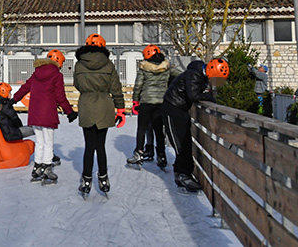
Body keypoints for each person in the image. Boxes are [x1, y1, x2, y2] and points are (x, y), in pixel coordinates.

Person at [162, 57, 227, 193]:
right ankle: (182, 175)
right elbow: (193, 95)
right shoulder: (194, 75)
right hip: (172, 108)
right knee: (180, 144)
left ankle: (184, 173)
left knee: (186, 143)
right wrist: (210, 97)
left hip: (181, 109)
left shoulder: (199, 75)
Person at [12, 49, 77, 184]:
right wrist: (69, 112)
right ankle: (47, 166)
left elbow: (25, 88)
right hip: (48, 114)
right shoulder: (57, 76)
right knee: (48, 142)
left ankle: (37, 167)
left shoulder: (36, 74)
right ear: (58, 61)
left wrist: (13, 100)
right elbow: (60, 96)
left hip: (35, 113)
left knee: (40, 141)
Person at [74, 34, 125, 197]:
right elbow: (116, 88)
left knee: (89, 146)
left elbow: (77, 84)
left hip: (87, 105)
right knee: (100, 145)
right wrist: (121, 109)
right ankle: (103, 177)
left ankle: (86, 178)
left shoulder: (79, 64)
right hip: (104, 105)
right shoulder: (109, 65)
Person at [126, 44, 181, 170]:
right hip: (161, 102)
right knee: (158, 130)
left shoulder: (144, 68)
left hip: (146, 102)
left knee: (142, 128)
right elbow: (180, 75)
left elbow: (138, 85)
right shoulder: (167, 66)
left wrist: (135, 101)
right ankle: (161, 155)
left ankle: (139, 153)